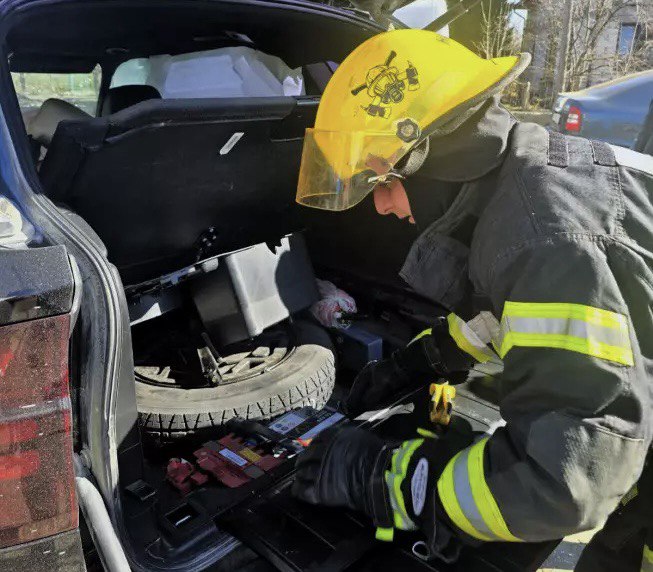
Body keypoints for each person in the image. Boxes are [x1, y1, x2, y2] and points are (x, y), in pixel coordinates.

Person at [291, 29, 653, 570]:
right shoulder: (522, 182)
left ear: (430, 156)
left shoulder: (544, 239)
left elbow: (564, 481)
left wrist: (399, 484)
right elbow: (510, 316)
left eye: (379, 181)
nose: (382, 207)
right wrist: (425, 360)